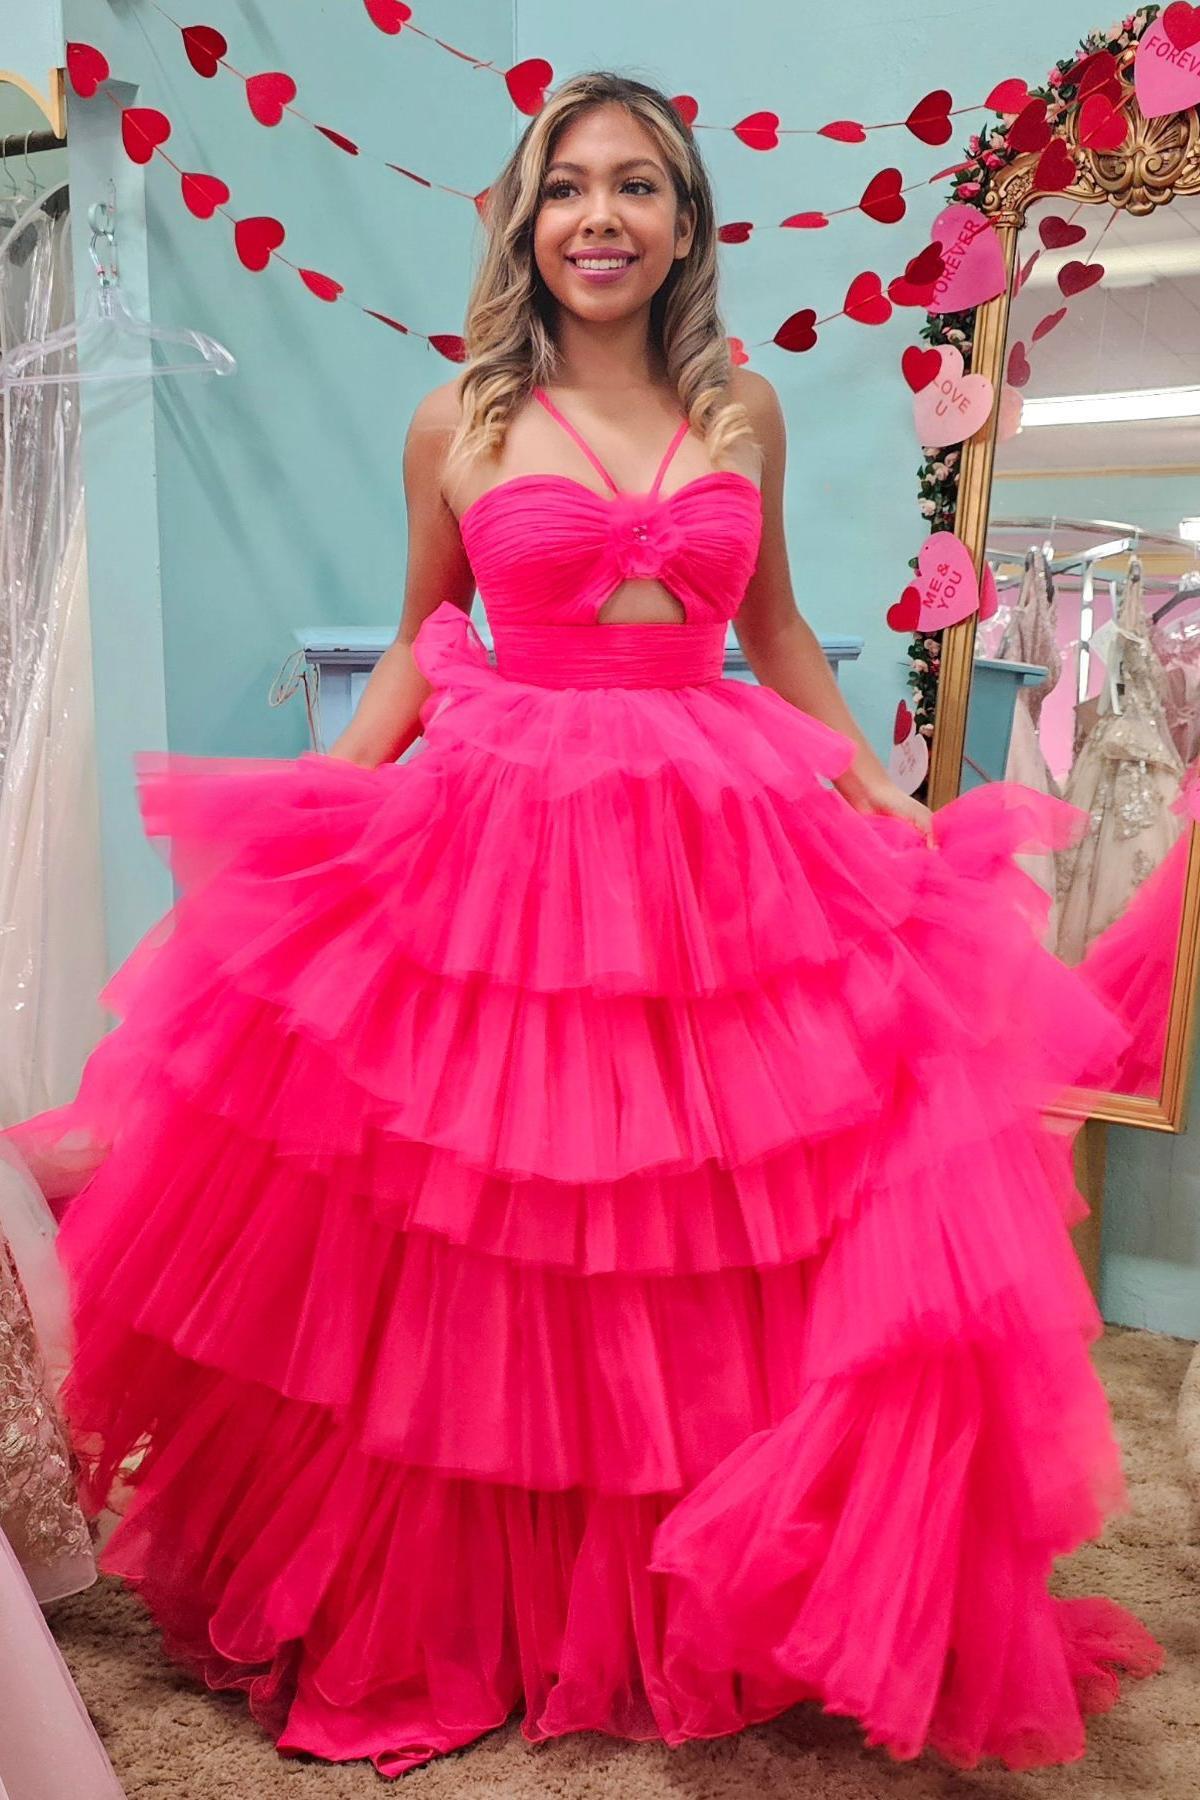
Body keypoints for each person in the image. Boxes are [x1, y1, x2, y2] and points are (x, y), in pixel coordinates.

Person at [1, 69, 1163, 1780]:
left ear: (686, 224)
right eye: (567, 186)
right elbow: (422, 636)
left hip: (717, 834)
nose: (599, 217)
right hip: (510, 833)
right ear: (525, 222)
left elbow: (777, 632)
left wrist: (879, 791)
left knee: (707, 1225)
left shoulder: (744, 408)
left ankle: (709, 1583)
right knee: (499, 1226)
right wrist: (328, 799)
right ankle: (495, 1608)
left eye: (636, 186)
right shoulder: (458, 419)